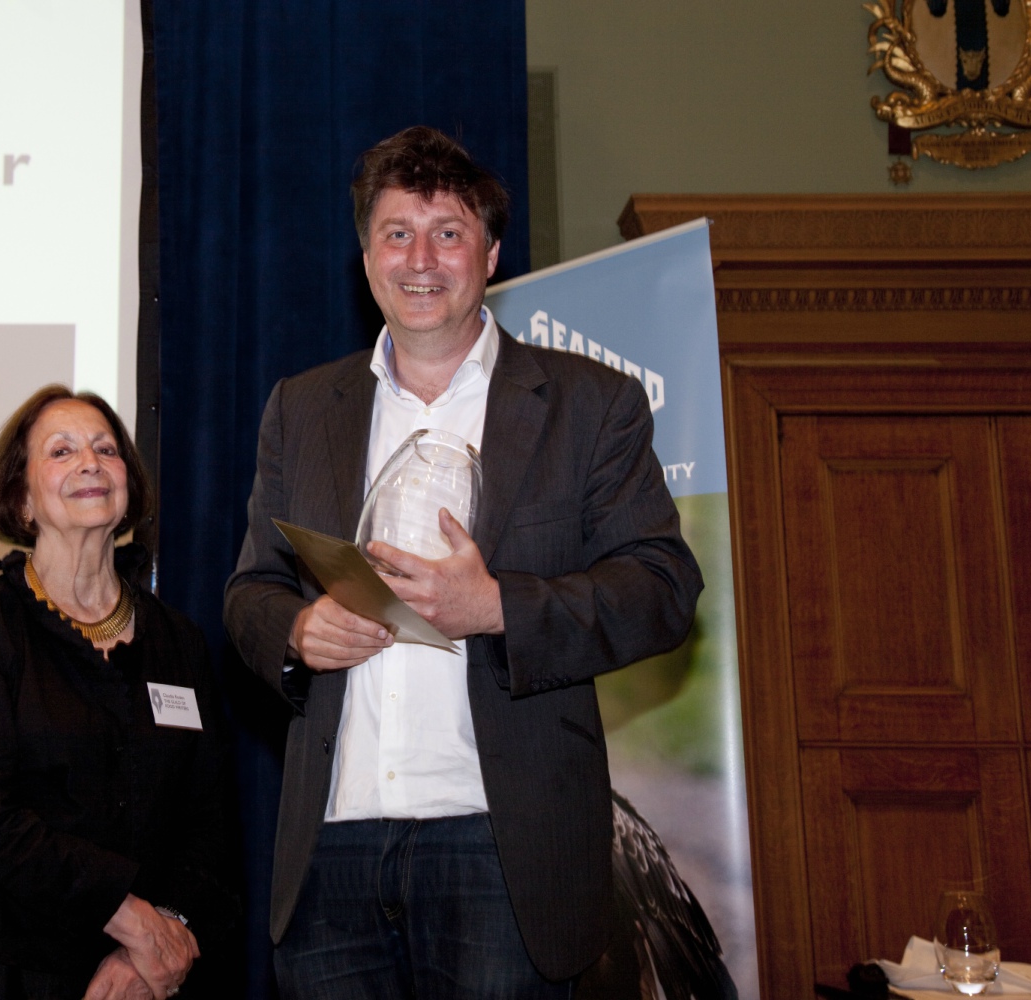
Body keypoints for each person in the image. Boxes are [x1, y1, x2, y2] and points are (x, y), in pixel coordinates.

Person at [223, 126, 704, 996]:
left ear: (489, 253)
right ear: (366, 255)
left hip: (501, 847)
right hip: (332, 845)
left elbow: (664, 589)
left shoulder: (590, 404)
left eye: (447, 232)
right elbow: (250, 591)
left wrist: (498, 608)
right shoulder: (302, 408)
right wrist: (297, 628)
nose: (420, 258)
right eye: (396, 233)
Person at [0, 385, 234, 1000]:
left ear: (127, 483)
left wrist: (158, 941)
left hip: (136, 976)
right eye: (61, 451)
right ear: (22, 500)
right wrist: (129, 915)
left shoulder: (177, 641)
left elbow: (209, 824)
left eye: (106, 449)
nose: (89, 463)